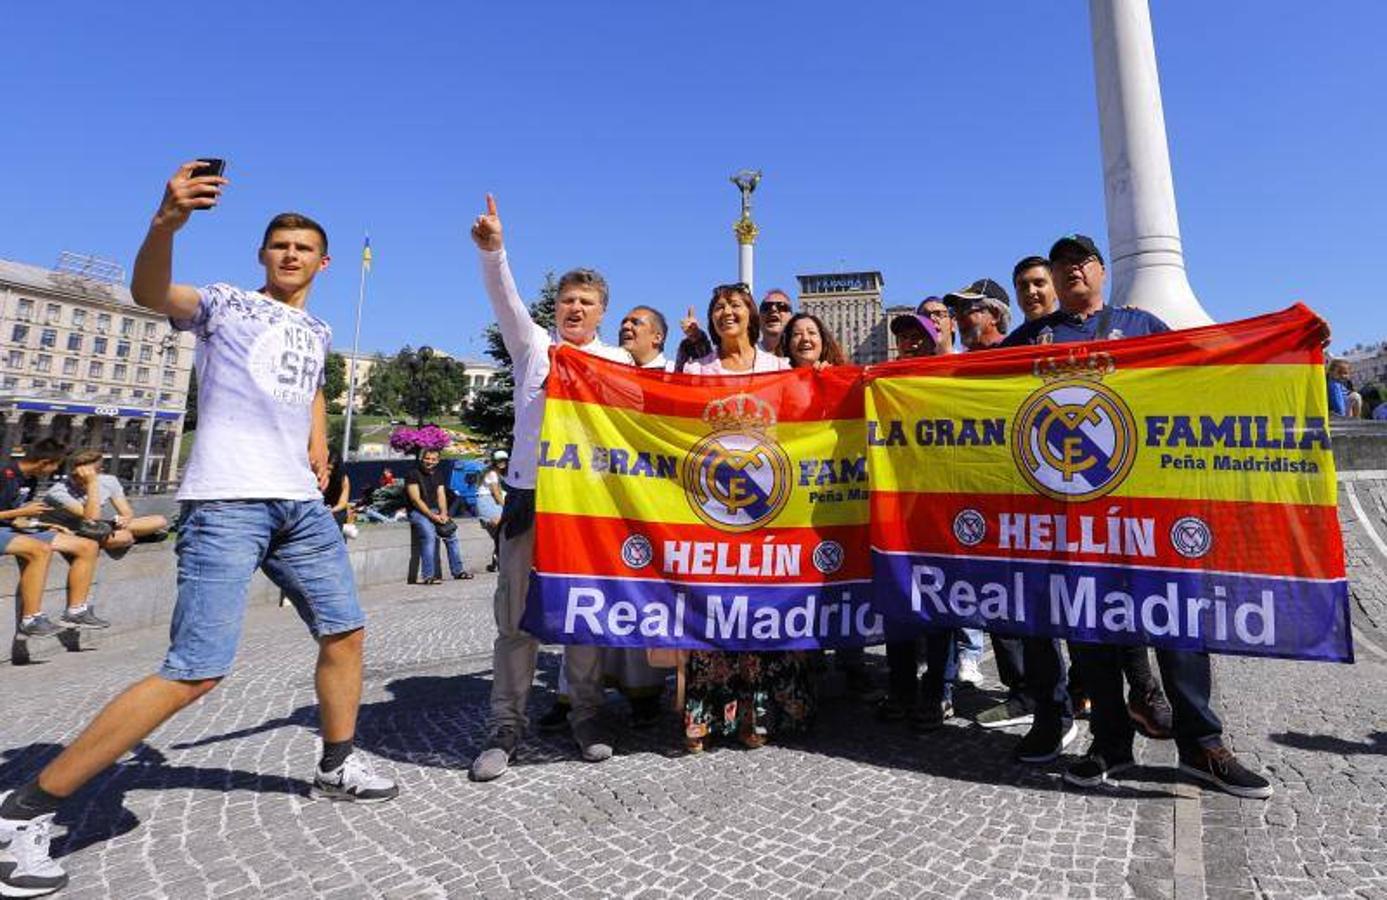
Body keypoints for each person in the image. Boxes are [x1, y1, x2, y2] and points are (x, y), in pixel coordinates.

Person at [1, 164, 400, 898]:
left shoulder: (313, 327)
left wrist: (319, 447)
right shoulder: (223, 304)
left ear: (323, 262)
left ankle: (338, 761)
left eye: (302, 247)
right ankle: (23, 812)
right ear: (262, 256)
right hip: (226, 504)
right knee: (197, 670)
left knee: (345, 632)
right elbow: (153, 294)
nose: (289, 254)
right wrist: (166, 223)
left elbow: (308, 383)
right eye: (278, 244)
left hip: (298, 508)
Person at [1005, 233, 1271, 799]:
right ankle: (1109, 742)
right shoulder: (1029, 338)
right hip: (1074, 516)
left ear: (1101, 270)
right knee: (1093, 631)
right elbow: (966, 389)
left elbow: (1203, 373)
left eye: (1081, 261)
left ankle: (1202, 744)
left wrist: (1282, 349)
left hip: (1149, 508)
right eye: (1061, 264)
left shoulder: (1143, 324)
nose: (1071, 270)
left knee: (1175, 625)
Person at [470, 194, 634, 782]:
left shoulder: (619, 361)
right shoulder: (533, 346)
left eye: (585, 302)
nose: (574, 308)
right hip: (530, 493)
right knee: (515, 619)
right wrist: (495, 252)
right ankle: (504, 725)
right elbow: (505, 301)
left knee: (584, 616)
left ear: (601, 313)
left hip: (588, 503)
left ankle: (586, 714)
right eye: (567, 300)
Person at [674, 284, 817, 751]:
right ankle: (704, 715)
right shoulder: (698, 370)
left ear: (752, 316)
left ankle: (756, 715)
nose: (726, 312)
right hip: (712, 506)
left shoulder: (779, 368)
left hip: (770, 508)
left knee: (762, 611)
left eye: (735, 306)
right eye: (719, 307)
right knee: (712, 611)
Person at [0, 438, 105, 638]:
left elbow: (17, 520)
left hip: (8, 530)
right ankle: (31, 620)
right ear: (44, 463)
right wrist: (21, 511)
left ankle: (76, 612)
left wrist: (43, 525)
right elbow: (13, 514)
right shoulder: (4, 474)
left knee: (87, 546)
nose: (54, 471)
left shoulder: (29, 480)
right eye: (55, 466)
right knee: (40, 549)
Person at [44, 450, 170, 553]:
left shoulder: (109, 481)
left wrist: (124, 519)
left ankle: (130, 536)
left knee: (159, 521)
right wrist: (91, 484)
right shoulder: (58, 492)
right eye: (94, 471)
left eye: (98, 470)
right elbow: (91, 519)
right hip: (72, 531)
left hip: (100, 528)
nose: (98, 473)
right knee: (122, 537)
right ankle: (134, 537)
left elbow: (126, 512)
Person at [405, 448, 470, 584]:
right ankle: (428, 576)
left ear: (438, 460)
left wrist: (444, 513)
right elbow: (415, 500)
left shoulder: (438, 474)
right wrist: (431, 516)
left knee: (451, 535)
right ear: (422, 459)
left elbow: (441, 495)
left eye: (433, 459)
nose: (430, 462)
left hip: (436, 511)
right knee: (429, 536)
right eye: (427, 458)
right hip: (418, 512)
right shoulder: (413, 474)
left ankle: (458, 571)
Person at [476, 450, 508, 572]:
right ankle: (499, 560)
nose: (502, 463)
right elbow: (496, 493)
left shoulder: (498, 474)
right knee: (501, 530)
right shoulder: (492, 474)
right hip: (489, 502)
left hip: (491, 502)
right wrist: (506, 507)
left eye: (504, 460)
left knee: (500, 533)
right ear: (494, 461)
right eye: (499, 460)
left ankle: (497, 560)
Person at [779, 311, 845, 368]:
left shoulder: (842, 378)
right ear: (788, 343)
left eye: (812, 332)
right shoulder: (777, 378)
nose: (805, 338)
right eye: (797, 334)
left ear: (823, 341)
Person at [1012, 256, 1058, 322]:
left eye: (1039, 284)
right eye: (1023, 286)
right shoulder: (1017, 332)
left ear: (1056, 288)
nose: (1031, 292)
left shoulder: (1075, 329)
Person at [757, 288, 795, 356]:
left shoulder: (800, 357)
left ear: (791, 317)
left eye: (781, 306)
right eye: (766, 307)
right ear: (759, 317)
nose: (773, 309)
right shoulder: (745, 356)